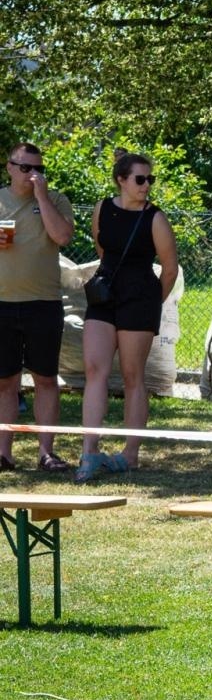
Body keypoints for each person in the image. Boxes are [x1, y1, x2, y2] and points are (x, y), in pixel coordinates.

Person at [76, 152, 180, 483]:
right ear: (121, 180)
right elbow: (101, 247)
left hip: (140, 297)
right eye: (140, 179)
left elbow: (170, 268)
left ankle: (130, 453)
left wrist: (152, 303)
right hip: (105, 293)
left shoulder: (156, 218)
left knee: (133, 375)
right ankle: (89, 451)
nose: (146, 185)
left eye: (150, 179)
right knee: (94, 369)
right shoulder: (103, 208)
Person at [0, 142, 75, 474]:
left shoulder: (55, 200)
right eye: (26, 168)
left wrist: (41, 197)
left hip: (43, 304)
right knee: (5, 382)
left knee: (46, 380)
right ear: (10, 167)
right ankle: (3, 453)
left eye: (39, 169)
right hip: (2, 304)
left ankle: (46, 452)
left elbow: (62, 236)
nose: (33, 175)